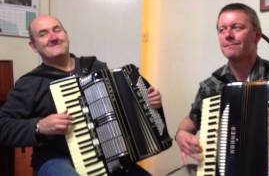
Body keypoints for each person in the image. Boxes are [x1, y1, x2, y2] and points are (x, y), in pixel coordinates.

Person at [0, 15, 162, 176]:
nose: (53, 37)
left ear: (66, 35)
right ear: (33, 46)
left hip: (108, 155)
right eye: (43, 34)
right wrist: (39, 126)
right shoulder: (30, 83)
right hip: (56, 159)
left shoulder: (96, 68)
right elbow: (3, 126)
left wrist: (148, 103)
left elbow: (120, 109)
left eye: (57, 30)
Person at [175, 3, 269, 175]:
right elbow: (188, 124)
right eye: (222, 30)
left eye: (237, 27)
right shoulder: (211, 86)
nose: (227, 35)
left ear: (257, 35)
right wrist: (180, 135)